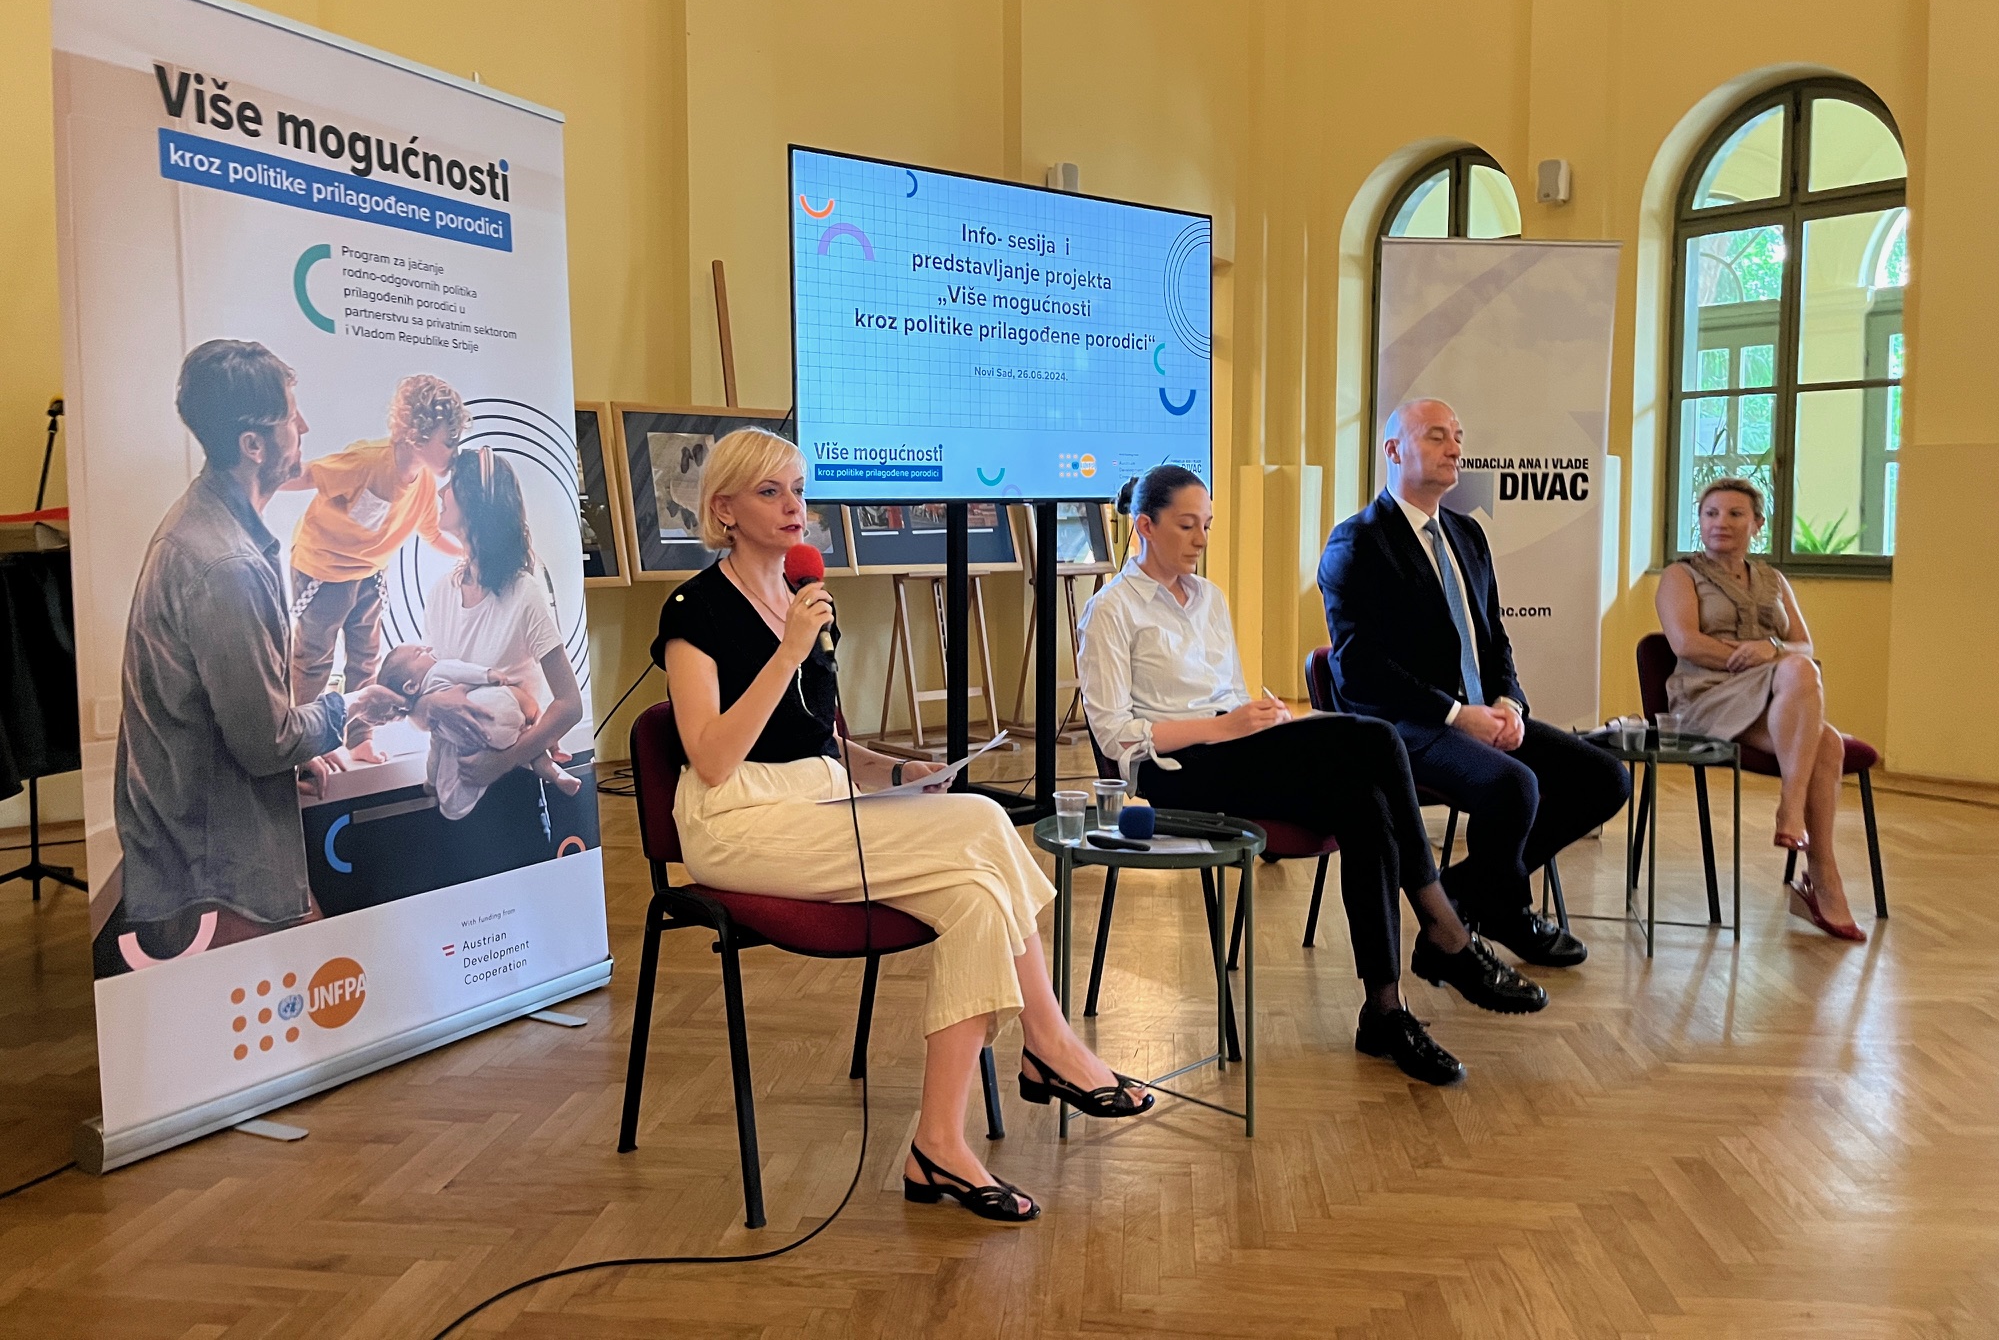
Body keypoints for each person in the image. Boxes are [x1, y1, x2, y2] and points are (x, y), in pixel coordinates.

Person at [653, 428, 1149, 1224]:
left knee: (977, 900)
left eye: (799, 489)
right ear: (725, 510)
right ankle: (1051, 1043)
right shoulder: (694, 611)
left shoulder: (805, 599)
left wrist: (895, 773)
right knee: (984, 819)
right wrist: (785, 653)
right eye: (771, 493)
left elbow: (820, 740)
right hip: (737, 822)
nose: (795, 508)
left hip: (820, 800)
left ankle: (937, 1146)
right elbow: (712, 757)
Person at [1078, 466, 1546, 1088]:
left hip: (1236, 749)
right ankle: (1444, 928)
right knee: (1375, 738)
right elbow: (1115, 736)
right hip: (1174, 773)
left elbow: (1231, 695)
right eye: (1187, 525)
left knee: (1362, 799)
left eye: (1207, 527)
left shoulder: (1209, 599)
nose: (1199, 539)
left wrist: (1260, 716)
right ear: (1144, 526)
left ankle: (1384, 1009)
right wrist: (1222, 727)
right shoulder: (1110, 610)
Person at [113, 341, 405, 949]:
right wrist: (351, 709)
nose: (304, 428)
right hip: (215, 867)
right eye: (292, 416)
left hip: (202, 838)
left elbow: (239, 718)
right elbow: (265, 741)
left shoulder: (202, 526)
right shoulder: (227, 566)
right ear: (254, 444)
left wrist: (293, 748)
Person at [1318, 399, 1630, 967]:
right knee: (1515, 786)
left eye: (1458, 436)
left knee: (1605, 777)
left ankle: (1461, 895)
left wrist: (1509, 702)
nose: (1455, 448)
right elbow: (1360, 669)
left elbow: (1494, 639)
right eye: (1437, 436)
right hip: (1403, 726)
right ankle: (1505, 910)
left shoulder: (1467, 536)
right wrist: (1456, 715)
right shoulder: (1357, 542)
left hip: (1482, 713)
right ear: (1394, 451)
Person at [1656, 477, 1863, 941]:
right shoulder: (1680, 575)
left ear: (1757, 524)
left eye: (1734, 514)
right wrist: (1765, 655)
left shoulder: (1774, 579)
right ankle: (1799, 830)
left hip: (1772, 698)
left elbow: (1802, 643)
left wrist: (1772, 649)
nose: (1720, 524)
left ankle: (1819, 870)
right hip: (1706, 697)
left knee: (1822, 727)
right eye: (1711, 513)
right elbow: (1685, 642)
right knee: (1801, 676)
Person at [284, 373, 467, 761]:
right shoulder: (366, 462)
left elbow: (433, 535)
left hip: (369, 575)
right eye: (448, 441)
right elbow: (308, 476)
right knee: (315, 660)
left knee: (365, 658)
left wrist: (471, 553)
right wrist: (256, 487)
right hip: (323, 572)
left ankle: (359, 737)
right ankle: (308, 745)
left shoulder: (423, 487)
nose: (455, 450)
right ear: (417, 435)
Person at [419, 447, 586, 818]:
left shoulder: (524, 592)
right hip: (455, 784)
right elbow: (429, 689)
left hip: (512, 793)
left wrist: (503, 762)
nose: (440, 494)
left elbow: (569, 705)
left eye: (451, 486)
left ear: (477, 503)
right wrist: (433, 704)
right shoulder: (439, 593)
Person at [367, 642, 583, 818]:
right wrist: (488, 675)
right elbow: (462, 670)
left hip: (487, 739)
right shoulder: (438, 670)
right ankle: (556, 773)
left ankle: (554, 769)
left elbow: (434, 753)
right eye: (419, 653)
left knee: (518, 739)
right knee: (530, 734)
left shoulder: (438, 719)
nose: (429, 649)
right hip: (504, 706)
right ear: (411, 687)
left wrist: (432, 782)